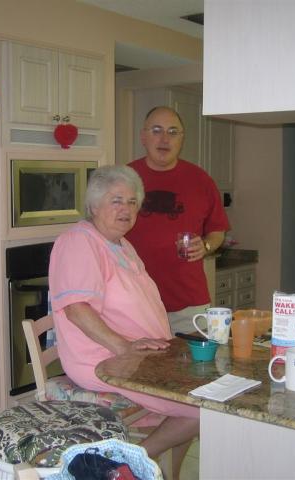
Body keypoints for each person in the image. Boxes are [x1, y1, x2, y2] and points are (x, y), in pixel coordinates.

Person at [49, 165, 199, 478]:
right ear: (93, 205)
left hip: (141, 356)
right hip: (105, 361)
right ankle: (127, 466)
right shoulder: (79, 241)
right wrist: (124, 347)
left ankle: (160, 472)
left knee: (202, 392)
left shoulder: (121, 244)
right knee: (203, 409)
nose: (126, 209)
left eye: (132, 202)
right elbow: (76, 308)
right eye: (116, 200)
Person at [125, 106, 231, 334]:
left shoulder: (201, 180)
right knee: (142, 369)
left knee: (195, 368)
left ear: (182, 139)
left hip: (189, 305)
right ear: (143, 136)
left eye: (173, 132)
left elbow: (218, 231)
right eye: (156, 130)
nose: (165, 139)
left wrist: (205, 246)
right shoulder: (124, 179)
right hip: (134, 303)